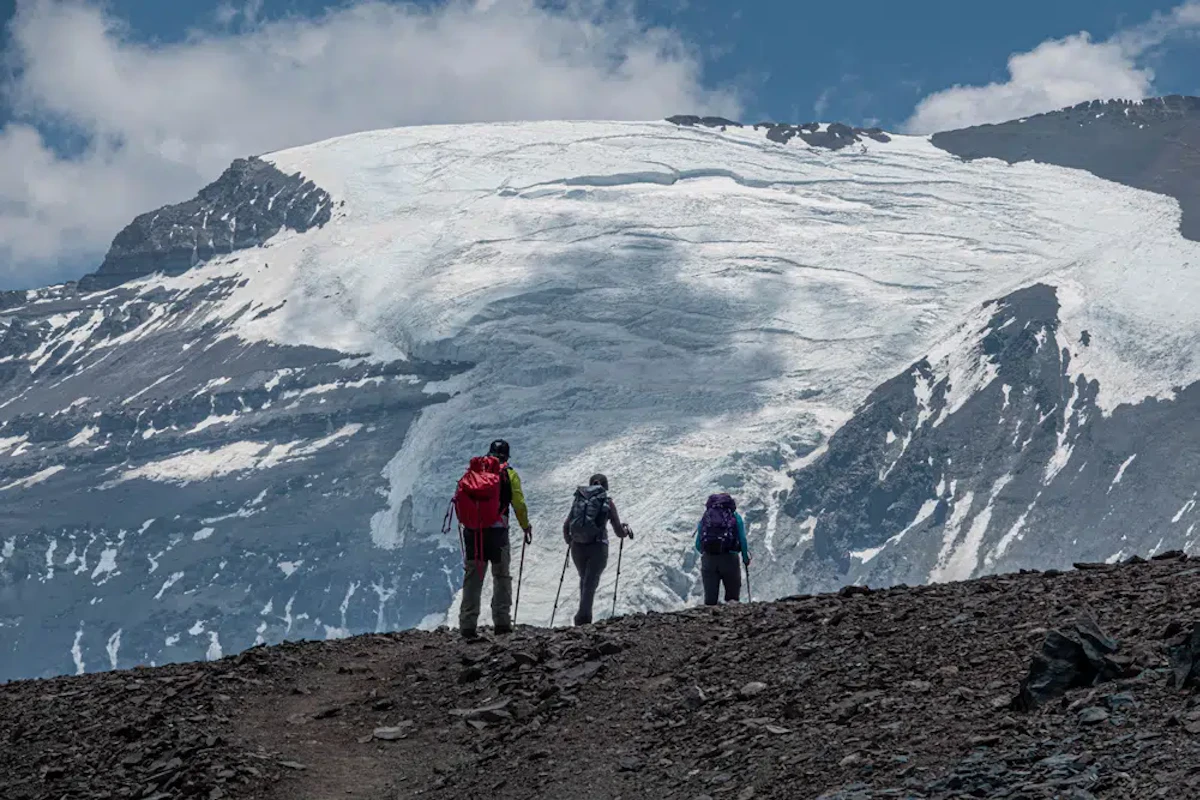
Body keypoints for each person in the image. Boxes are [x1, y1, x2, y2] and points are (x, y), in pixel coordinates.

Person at [459, 439, 532, 639]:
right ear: (506, 456)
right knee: (501, 576)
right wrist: (525, 525)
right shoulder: (509, 474)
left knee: (473, 577)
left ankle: (467, 625)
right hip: (498, 534)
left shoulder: (473, 473)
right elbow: (518, 503)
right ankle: (502, 622)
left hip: (473, 533)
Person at [563, 473, 631, 625]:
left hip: (577, 547)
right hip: (598, 546)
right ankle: (583, 619)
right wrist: (626, 531)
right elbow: (618, 531)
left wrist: (571, 541)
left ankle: (583, 617)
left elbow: (566, 525)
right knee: (590, 581)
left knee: (585, 580)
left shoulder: (579, 499)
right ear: (605, 487)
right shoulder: (606, 502)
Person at [694, 493, 750, 605]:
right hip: (730, 559)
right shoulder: (735, 517)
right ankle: (732, 614)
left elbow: (698, 544)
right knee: (732, 598)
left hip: (709, 560)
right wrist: (745, 558)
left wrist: (708, 552)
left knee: (710, 600)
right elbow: (742, 540)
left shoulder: (706, 517)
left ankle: (709, 615)